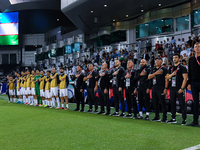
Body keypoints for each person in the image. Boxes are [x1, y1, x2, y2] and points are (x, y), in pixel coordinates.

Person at [165, 54, 187, 125]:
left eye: (176, 58)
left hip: (179, 88)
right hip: (172, 88)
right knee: (172, 103)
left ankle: (184, 119)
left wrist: (182, 88)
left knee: (182, 104)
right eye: (173, 58)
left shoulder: (182, 67)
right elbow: (167, 78)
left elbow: (185, 78)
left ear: (179, 58)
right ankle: (173, 118)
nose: (174, 59)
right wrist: (172, 75)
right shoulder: (171, 68)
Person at [148, 57, 168, 122]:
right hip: (154, 88)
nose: (156, 62)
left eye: (158, 60)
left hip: (161, 88)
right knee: (155, 103)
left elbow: (167, 79)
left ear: (161, 62)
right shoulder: (153, 69)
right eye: (156, 60)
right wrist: (156, 73)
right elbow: (149, 77)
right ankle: (157, 116)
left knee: (162, 103)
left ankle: (164, 117)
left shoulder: (164, 69)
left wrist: (165, 88)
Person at [187, 42, 200, 126]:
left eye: (199, 46)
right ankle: (195, 121)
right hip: (194, 82)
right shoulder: (191, 59)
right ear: (194, 48)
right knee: (195, 102)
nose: (197, 48)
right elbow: (189, 72)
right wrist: (189, 83)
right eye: (196, 47)